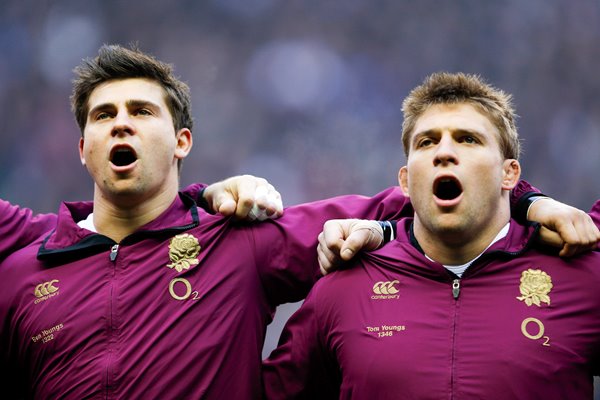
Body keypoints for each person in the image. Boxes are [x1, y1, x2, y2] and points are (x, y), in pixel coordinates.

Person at [0, 45, 593, 399]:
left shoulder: (240, 242)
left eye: (141, 111)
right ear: (82, 148)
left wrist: (528, 204)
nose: (121, 124)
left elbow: (429, 202)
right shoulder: (24, 271)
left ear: (182, 140)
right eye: (104, 115)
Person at [262, 72, 600, 399]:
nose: (444, 152)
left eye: (468, 139)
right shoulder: (341, 291)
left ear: (509, 174)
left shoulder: (583, 280)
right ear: (406, 181)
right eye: (427, 141)